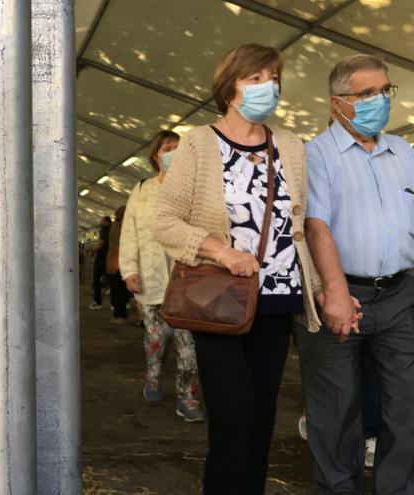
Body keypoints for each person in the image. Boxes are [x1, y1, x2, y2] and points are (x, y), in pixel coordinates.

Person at [151, 44, 324, 494]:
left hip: (277, 297)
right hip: (221, 297)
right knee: (234, 415)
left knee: (263, 417)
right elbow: (164, 220)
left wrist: (320, 286)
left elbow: (301, 222)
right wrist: (220, 251)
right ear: (230, 88)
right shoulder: (199, 144)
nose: (268, 86)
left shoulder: (289, 144)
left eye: (273, 77)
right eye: (255, 78)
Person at [299, 53, 414, 494]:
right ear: (336, 104)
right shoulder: (317, 154)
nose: (379, 101)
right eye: (366, 94)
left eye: (385, 91)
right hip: (341, 294)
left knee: (405, 405)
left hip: (401, 295)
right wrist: (335, 293)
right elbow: (316, 225)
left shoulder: (402, 150)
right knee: (336, 409)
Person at [120, 130, 203, 422]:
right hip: (153, 278)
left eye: (179, 148)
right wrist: (129, 270)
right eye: (168, 148)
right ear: (155, 155)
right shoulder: (142, 190)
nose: (174, 153)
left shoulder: (195, 188)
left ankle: (187, 397)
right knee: (155, 342)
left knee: (188, 346)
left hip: (186, 282)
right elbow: (129, 232)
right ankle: (153, 379)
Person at [106, 206, 131, 322]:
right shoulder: (117, 228)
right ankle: (119, 315)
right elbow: (123, 243)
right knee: (118, 291)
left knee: (119, 290)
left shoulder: (116, 227)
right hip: (116, 264)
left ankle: (120, 314)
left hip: (116, 263)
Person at [89, 216, 111, 309]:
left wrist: (93, 251)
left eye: (101, 220)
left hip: (101, 259)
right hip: (110, 258)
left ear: (106, 222)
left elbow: (100, 244)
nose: (100, 222)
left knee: (96, 280)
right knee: (113, 280)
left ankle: (97, 302)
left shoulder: (104, 230)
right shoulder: (113, 230)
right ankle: (116, 304)